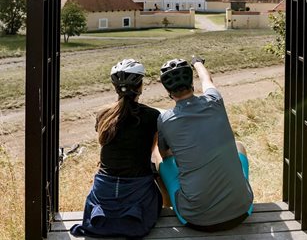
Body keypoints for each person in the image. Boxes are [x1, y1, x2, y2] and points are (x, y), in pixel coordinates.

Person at [156, 56, 254, 231]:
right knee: (239, 146)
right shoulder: (215, 101)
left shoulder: (165, 119)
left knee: (159, 160)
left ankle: (168, 206)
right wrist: (197, 63)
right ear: (191, 83)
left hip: (195, 219)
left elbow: (165, 154)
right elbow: (207, 80)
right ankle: (237, 191)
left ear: (168, 91)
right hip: (242, 210)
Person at [70, 58, 162, 239]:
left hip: (104, 186)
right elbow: (151, 150)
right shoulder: (153, 116)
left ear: (115, 87)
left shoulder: (103, 114)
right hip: (138, 187)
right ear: (141, 86)